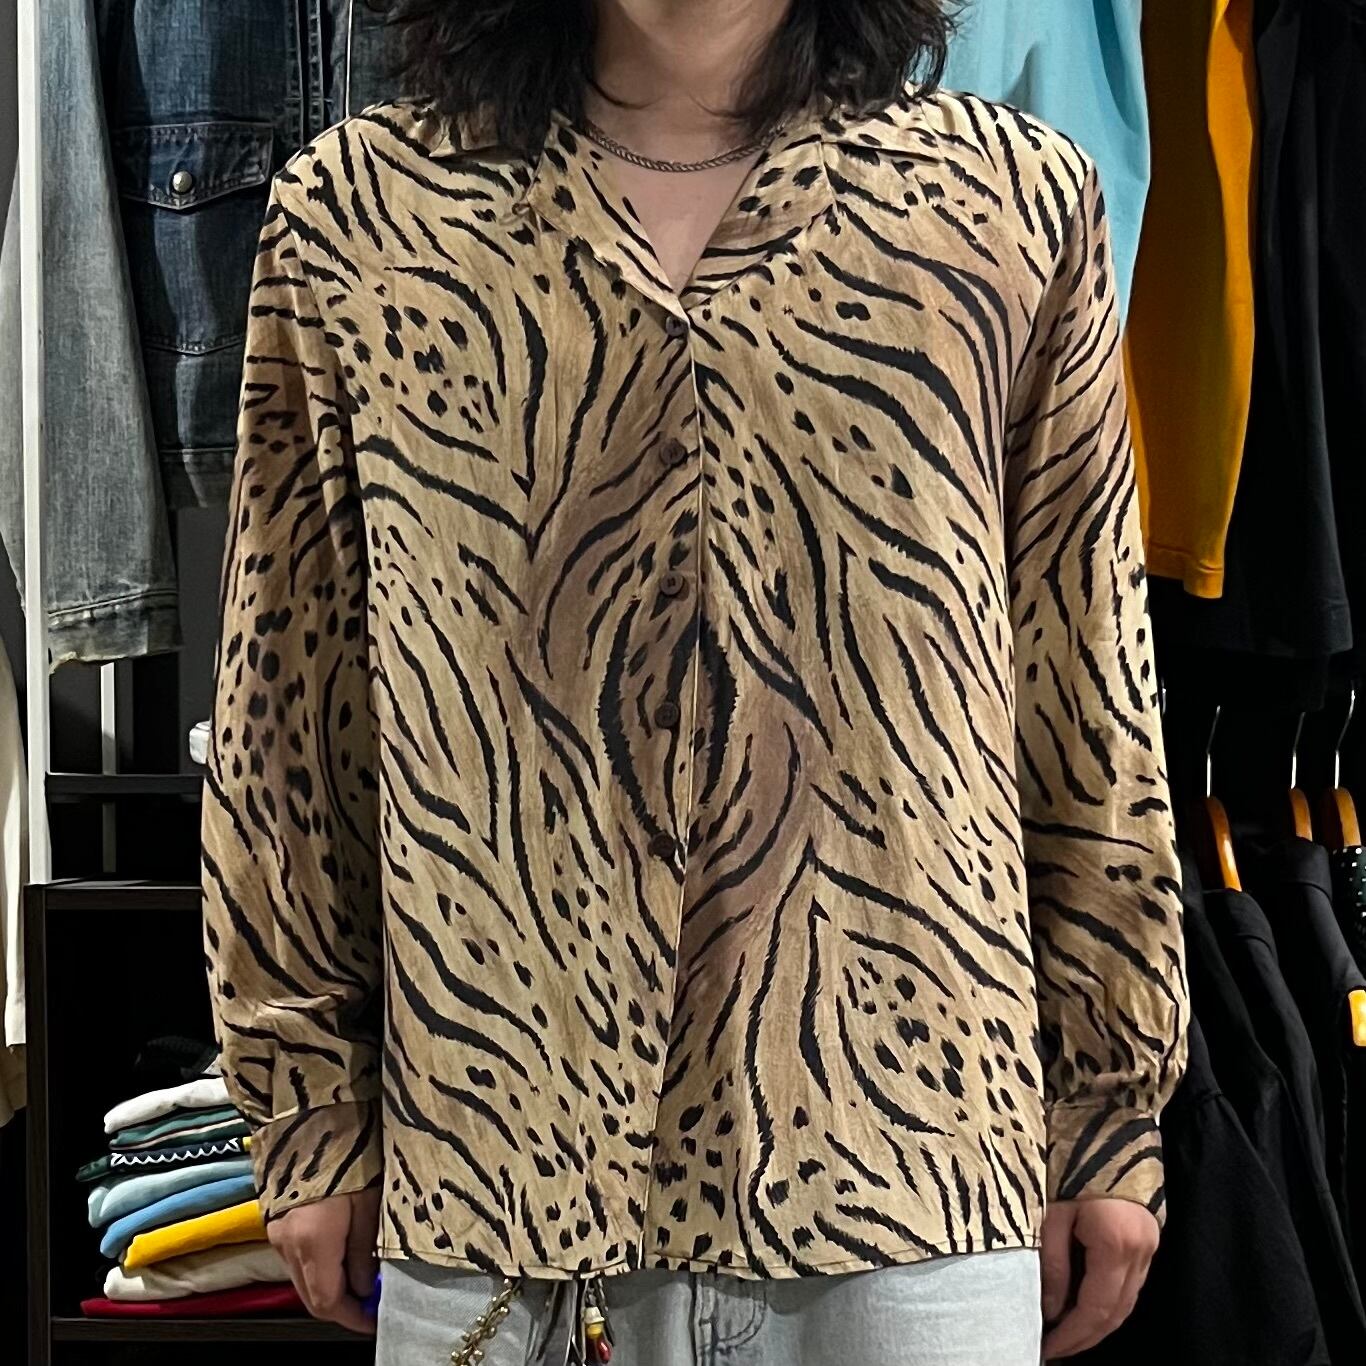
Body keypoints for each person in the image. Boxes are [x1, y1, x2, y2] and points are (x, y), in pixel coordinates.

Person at [200, 1, 1189, 1361]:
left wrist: (1106, 1105)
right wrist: (309, 1102)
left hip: (908, 1171)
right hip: (504, 1173)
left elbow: (1087, 681)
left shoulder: (1003, 204)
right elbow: (289, 707)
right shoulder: (361, 219)